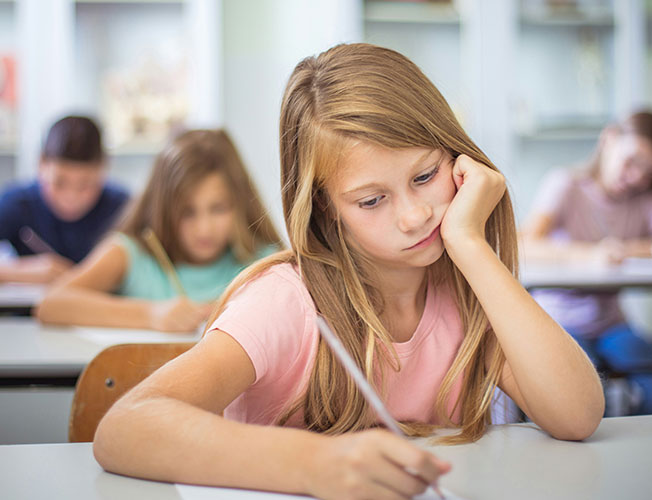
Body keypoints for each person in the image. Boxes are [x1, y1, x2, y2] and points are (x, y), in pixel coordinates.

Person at [93, 44, 603, 499]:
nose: (414, 215)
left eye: (426, 176)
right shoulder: (286, 302)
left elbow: (576, 415)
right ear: (325, 209)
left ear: (459, 157)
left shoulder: (468, 294)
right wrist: (314, 464)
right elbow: (125, 428)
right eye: (372, 200)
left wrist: (470, 243)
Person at [520, 109, 652, 415]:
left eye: (648, 172)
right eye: (631, 162)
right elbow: (524, 243)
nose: (636, 177)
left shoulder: (641, 200)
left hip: (611, 325)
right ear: (609, 139)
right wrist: (590, 255)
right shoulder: (566, 184)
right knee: (585, 395)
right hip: (560, 322)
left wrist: (627, 250)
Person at [36, 129, 282, 332]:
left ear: (239, 203)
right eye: (187, 212)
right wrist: (150, 314)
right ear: (162, 208)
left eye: (218, 209)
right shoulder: (131, 254)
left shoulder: (264, 262)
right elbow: (51, 304)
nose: (204, 228)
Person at [0, 115, 129, 283]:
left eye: (85, 185)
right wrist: (20, 271)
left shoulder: (123, 208)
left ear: (103, 168)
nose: (71, 196)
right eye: (59, 183)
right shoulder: (17, 204)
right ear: (41, 164)